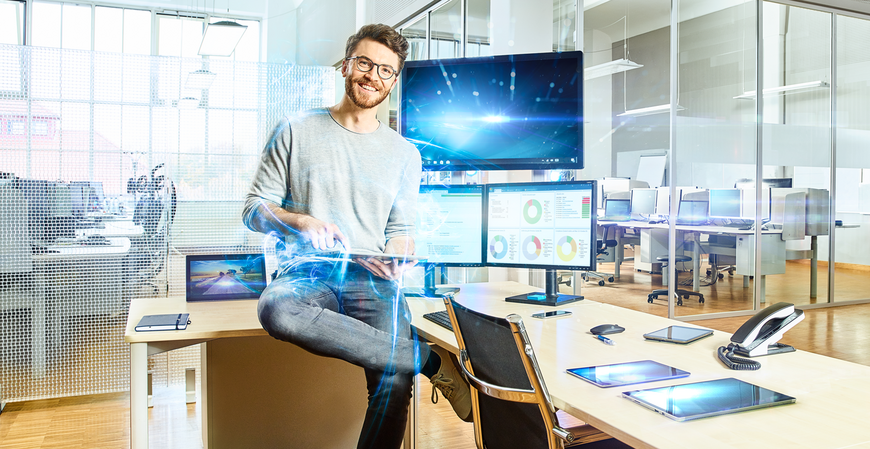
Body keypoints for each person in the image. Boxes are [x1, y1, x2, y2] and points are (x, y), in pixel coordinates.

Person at [242, 24, 472, 449]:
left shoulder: (405, 153)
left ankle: (411, 363)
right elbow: (254, 210)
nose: (372, 76)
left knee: (394, 380)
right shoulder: (295, 128)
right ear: (346, 65)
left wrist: (398, 255)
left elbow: (401, 230)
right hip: (309, 270)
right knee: (277, 310)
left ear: (394, 80)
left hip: (374, 276)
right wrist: (303, 222)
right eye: (365, 63)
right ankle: (430, 360)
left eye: (385, 70)